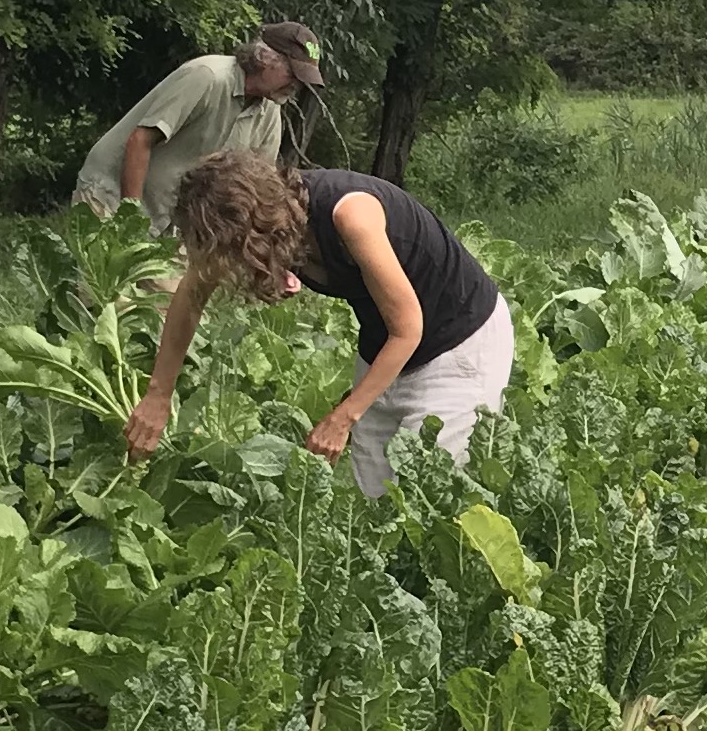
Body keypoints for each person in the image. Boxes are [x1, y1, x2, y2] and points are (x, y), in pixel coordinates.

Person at [124, 153, 510, 497]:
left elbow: (409, 328)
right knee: (374, 499)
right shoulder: (274, 226)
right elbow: (189, 299)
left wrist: (343, 418)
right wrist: (158, 395)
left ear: (257, 225)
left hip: (460, 345)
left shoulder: (350, 215)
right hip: (384, 348)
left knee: (434, 495)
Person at [72, 21, 323, 230]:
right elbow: (140, 140)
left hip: (170, 216)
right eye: (293, 74)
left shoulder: (270, 112)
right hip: (113, 193)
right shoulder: (207, 76)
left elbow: (259, 187)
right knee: (102, 287)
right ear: (265, 58)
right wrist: (129, 217)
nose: (296, 86)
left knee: (171, 291)